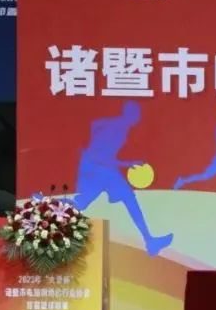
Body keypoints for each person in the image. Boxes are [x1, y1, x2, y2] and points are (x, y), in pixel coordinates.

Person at [72, 102, 172, 256]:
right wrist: (128, 164)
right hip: (98, 169)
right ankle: (150, 241)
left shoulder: (118, 126)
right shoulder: (117, 128)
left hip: (98, 168)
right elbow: (100, 157)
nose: (139, 116)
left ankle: (150, 241)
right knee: (121, 198)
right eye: (137, 113)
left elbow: (95, 126)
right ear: (131, 114)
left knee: (121, 198)